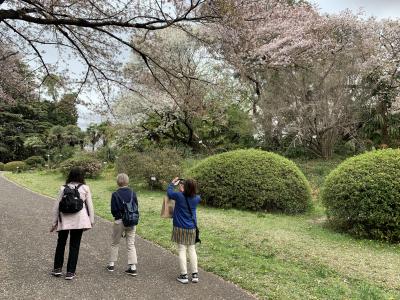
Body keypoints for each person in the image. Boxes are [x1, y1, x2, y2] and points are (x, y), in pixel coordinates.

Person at [50, 167, 95, 280]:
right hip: (79, 221)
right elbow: (90, 206)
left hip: (64, 220)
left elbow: (56, 206)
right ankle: (70, 272)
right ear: (81, 176)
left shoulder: (63, 188)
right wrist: (91, 220)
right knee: (74, 246)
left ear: (69, 176)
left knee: (61, 243)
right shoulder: (85, 188)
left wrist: (54, 222)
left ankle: (57, 269)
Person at [167, 177, 201, 284]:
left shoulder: (179, 196)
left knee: (182, 250)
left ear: (184, 187)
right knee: (192, 249)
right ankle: (195, 275)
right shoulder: (197, 198)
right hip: (191, 228)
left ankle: (184, 275)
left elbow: (169, 193)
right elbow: (189, 195)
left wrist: (172, 183)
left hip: (180, 227)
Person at [106, 173, 139, 276]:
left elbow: (113, 210)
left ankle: (111, 264)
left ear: (118, 182)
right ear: (127, 181)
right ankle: (133, 267)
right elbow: (136, 206)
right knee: (131, 244)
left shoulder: (115, 194)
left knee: (115, 242)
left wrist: (118, 216)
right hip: (132, 221)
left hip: (119, 221)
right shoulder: (133, 193)